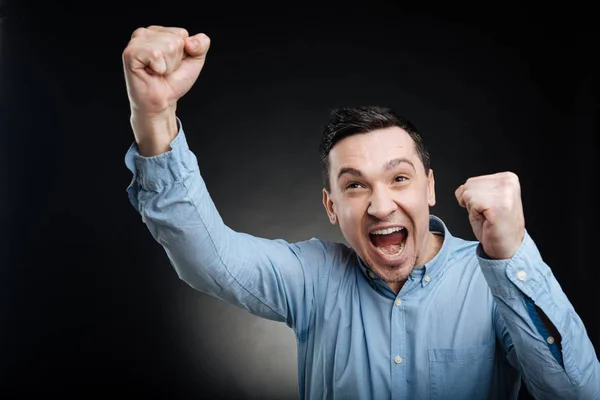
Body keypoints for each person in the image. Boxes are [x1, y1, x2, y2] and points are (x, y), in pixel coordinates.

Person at [121, 26, 600, 399]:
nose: (380, 205)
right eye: (354, 186)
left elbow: (576, 392)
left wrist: (512, 255)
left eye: (399, 178)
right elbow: (207, 256)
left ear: (429, 188)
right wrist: (155, 116)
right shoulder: (311, 278)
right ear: (331, 206)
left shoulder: (492, 281)